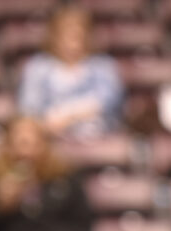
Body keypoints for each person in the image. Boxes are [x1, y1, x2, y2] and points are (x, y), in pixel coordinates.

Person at [16, 7, 124, 138]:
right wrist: (47, 123)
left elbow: (110, 101)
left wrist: (71, 114)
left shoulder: (102, 66)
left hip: (97, 137)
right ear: (54, 36)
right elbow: (28, 108)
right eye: (66, 36)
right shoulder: (38, 67)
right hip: (49, 138)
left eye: (77, 36)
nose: (72, 44)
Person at [0, 116, 92, 231]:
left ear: (45, 146)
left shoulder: (66, 181)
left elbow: (82, 229)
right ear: (7, 148)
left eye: (34, 144)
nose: (26, 153)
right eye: (19, 144)